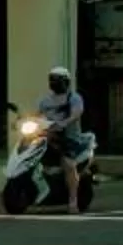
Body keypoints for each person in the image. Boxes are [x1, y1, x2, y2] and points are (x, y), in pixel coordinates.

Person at [37, 67, 85, 210]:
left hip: (68, 138)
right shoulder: (45, 100)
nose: (54, 82)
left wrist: (65, 123)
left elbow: (77, 113)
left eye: (57, 79)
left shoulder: (74, 98)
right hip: (47, 137)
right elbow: (38, 115)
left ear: (66, 81)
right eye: (51, 79)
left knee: (68, 164)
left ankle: (73, 200)